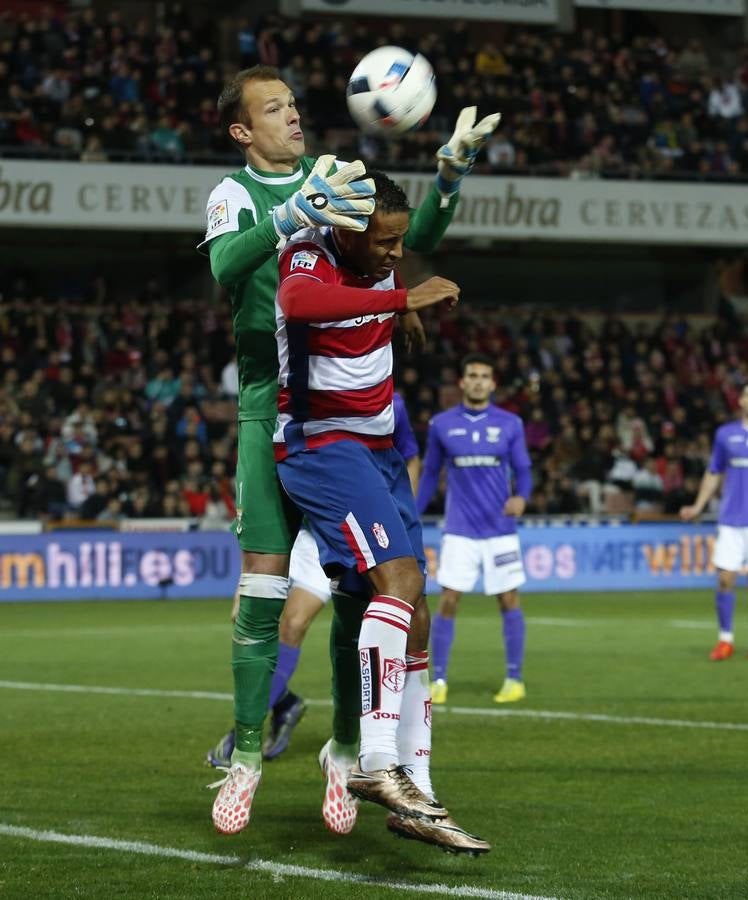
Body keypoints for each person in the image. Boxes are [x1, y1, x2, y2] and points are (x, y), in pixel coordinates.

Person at [200, 62, 499, 836]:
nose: (293, 117)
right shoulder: (236, 196)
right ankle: (246, 759)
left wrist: (449, 173)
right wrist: (293, 213)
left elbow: (407, 239)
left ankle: (343, 753)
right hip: (279, 403)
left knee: (360, 591)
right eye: (274, 109)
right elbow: (228, 271)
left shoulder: (338, 178)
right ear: (242, 130)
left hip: (351, 409)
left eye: (294, 104)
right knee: (265, 586)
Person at [274, 172, 489, 854]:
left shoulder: (374, 269)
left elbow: (379, 286)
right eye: (383, 241)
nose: (394, 251)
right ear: (345, 229)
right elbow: (298, 300)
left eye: (400, 241)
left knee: (415, 604)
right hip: (321, 444)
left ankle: (415, 792)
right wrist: (402, 298)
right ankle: (372, 764)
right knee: (397, 583)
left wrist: (395, 305)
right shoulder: (311, 251)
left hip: (378, 451)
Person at [206, 392, 421, 767]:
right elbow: (260, 488)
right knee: (282, 623)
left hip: (345, 527)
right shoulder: (286, 397)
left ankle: (355, 741)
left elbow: (407, 460)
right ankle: (281, 707)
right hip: (303, 532)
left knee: (326, 626)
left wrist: (399, 518)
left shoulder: (388, 401)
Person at [416, 353, 532, 705]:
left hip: (500, 530)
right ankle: (439, 680)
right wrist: (413, 514)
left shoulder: (511, 424)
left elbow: (524, 469)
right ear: (463, 382)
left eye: (485, 375)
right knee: (448, 601)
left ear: (493, 383)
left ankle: (514, 679)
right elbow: (429, 474)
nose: (479, 381)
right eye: (473, 375)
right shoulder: (441, 425)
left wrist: (523, 498)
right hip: (459, 530)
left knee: (509, 600)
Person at [680, 381, 748, 662]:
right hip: (731, 520)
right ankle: (725, 640)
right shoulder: (725, 435)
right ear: (740, 402)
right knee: (725, 579)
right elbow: (714, 472)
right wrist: (698, 505)